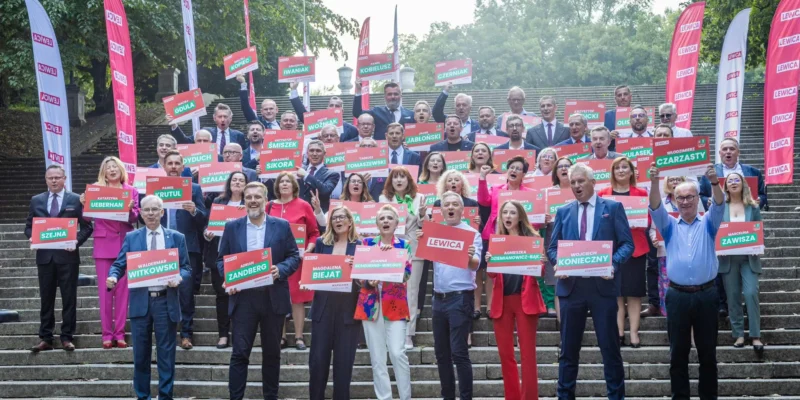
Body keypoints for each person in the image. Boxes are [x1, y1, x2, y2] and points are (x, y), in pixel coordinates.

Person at [547, 163, 634, 400]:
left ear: (593, 182)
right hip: (571, 288)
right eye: (572, 182)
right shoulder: (563, 211)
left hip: (602, 288)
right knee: (568, 352)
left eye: (580, 181)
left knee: (610, 349)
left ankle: (616, 397)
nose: (575, 186)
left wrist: (612, 265)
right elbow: (553, 248)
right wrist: (558, 263)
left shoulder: (613, 208)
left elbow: (628, 244)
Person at [217, 181, 302, 400]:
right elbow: (221, 260)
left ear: (266, 200)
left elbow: (294, 256)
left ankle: (270, 397)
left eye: (257, 197)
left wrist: (280, 269)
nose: (253, 201)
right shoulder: (232, 227)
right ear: (243, 201)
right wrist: (229, 278)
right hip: (244, 299)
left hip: (272, 297)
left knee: (272, 354)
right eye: (249, 197)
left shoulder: (281, 226)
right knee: (239, 353)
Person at [649, 162, 724, 400]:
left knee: (708, 354)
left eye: (690, 196)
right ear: (675, 199)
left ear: (697, 198)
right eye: (680, 198)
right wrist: (653, 181)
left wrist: (714, 182)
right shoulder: (669, 225)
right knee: (677, 353)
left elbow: (720, 203)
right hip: (678, 296)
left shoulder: (709, 223)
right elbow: (655, 206)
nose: (685, 201)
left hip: (706, 294)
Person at [106, 195, 191, 400]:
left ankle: (165, 396)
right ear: (141, 213)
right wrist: (113, 276)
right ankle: (143, 396)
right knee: (141, 356)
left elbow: (187, 268)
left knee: (166, 355)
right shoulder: (132, 238)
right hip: (140, 302)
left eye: (155, 209)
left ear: (162, 213)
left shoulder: (176, 237)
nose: (151, 213)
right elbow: (119, 264)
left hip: (165, 301)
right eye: (147, 210)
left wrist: (179, 277)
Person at [418, 191, 482, 400]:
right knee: (441, 354)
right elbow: (420, 253)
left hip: (460, 299)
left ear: (462, 210)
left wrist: (470, 257)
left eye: (456, 204)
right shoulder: (436, 232)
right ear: (442, 210)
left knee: (459, 353)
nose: (451, 207)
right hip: (438, 299)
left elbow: (476, 265)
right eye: (447, 205)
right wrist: (421, 237)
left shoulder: (472, 234)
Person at [25, 165, 93, 352]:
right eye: (50, 178)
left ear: (64, 178)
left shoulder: (75, 199)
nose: (54, 181)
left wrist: (76, 242)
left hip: (68, 256)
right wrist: (31, 236)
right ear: (46, 180)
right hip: (45, 257)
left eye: (57, 177)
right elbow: (28, 226)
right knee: (46, 298)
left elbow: (88, 227)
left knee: (69, 298)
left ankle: (67, 336)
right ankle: (46, 337)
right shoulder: (36, 200)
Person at [485, 200, 546, 400]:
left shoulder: (532, 239)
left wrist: (541, 262)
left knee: (528, 354)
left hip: (525, 300)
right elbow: (493, 275)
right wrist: (490, 261)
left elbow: (540, 273)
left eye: (512, 213)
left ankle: (529, 397)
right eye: (505, 213)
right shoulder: (497, 241)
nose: (508, 216)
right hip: (502, 302)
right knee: (505, 354)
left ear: (520, 216)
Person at [79, 156, 140, 349]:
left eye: (115, 167)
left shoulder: (131, 191)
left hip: (124, 243)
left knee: (123, 293)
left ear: (121, 170)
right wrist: (84, 203)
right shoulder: (96, 190)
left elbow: (135, 217)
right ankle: (106, 334)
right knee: (105, 293)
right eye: (108, 167)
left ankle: (120, 333)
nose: (112, 170)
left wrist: (131, 210)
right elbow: (87, 218)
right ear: (103, 172)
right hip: (104, 245)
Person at [356, 204, 413, 400]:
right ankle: (384, 398)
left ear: (397, 223)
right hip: (370, 306)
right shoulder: (366, 243)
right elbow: (359, 276)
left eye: (390, 218)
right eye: (382, 218)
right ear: (377, 223)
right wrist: (368, 282)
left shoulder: (403, 245)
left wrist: (389, 257)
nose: (386, 221)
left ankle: (405, 397)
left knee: (397, 353)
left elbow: (406, 275)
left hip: (395, 306)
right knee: (377, 358)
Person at [307, 206, 361, 400]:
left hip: (348, 311)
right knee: (318, 362)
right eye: (334, 218)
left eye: (342, 217)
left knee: (344, 365)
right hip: (323, 309)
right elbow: (313, 270)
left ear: (349, 221)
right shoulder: (322, 242)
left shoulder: (360, 245)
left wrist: (358, 271)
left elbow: (365, 280)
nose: (338, 221)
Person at [597, 157, 650, 348]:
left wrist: (640, 221)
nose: (620, 170)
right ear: (612, 172)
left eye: (624, 167)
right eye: (617, 167)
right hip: (612, 250)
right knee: (616, 293)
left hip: (636, 249)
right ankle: (619, 332)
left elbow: (648, 220)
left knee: (634, 294)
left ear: (631, 172)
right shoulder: (603, 194)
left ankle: (634, 333)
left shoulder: (641, 192)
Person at [267, 172, 320, 350]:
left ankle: (299, 337)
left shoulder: (304, 205)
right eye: (281, 181)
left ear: (294, 186)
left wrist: (309, 249)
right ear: (277, 186)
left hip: (297, 260)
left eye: (288, 182)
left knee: (297, 298)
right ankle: (280, 336)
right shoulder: (268, 206)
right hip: (275, 261)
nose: (284, 184)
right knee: (278, 297)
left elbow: (314, 233)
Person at [162, 150, 208, 350]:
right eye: (169, 163)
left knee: (186, 293)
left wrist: (193, 210)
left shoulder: (194, 188)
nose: (173, 167)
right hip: (161, 247)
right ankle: (167, 333)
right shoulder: (156, 188)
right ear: (164, 166)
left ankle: (186, 333)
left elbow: (204, 218)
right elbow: (144, 216)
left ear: (183, 167)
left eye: (176, 164)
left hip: (187, 247)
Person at [477, 156, 531, 320]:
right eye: (511, 167)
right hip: (495, 236)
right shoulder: (496, 189)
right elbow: (483, 200)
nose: (514, 170)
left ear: (524, 174)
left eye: (518, 168)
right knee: (493, 273)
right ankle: (494, 308)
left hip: (519, 239)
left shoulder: (529, 194)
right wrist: (482, 179)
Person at [379, 167, 425, 349]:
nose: (399, 180)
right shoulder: (384, 199)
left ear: (409, 180)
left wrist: (422, 214)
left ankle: (408, 334)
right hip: (390, 249)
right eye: (395, 177)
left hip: (413, 248)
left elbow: (424, 225)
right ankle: (387, 331)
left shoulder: (419, 198)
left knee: (411, 293)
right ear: (391, 181)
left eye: (402, 177)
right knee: (389, 291)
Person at [202, 171, 248, 349]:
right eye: (234, 180)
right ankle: (223, 334)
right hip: (219, 256)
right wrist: (207, 234)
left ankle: (239, 333)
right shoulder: (218, 202)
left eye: (241, 180)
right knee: (222, 296)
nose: (237, 182)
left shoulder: (250, 203)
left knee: (241, 298)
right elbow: (208, 225)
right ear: (229, 183)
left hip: (242, 258)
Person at [719, 172, 764, 352]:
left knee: (751, 293)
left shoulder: (752, 207)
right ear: (726, 186)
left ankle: (755, 335)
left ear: (743, 183)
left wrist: (758, 244)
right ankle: (738, 334)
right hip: (728, 258)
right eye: (730, 181)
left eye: (737, 179)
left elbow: (759, 230)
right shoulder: (720, 207)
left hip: (748, 258)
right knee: (733, 297)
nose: (734, 183)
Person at [645, 176, 688, 318]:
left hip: (688, 253)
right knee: (667, 288)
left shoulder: (694, 202)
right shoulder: (661, 204)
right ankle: (670, 319)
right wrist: (654, 239)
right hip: (665, 253)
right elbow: (652, 229)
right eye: (672, 180)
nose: (675, 182)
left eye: (678, 179)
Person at [541, 156, 575, 318]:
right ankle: (563, 331)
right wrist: (543, 218)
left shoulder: (580, 191)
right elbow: (536, 220)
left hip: (576, 240)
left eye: (567, 166)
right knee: (556, 282)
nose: (563, 169)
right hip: (553, 238)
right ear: (555, 171)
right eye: (560, 166)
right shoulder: (547, 193)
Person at [699, 137, 767, 210]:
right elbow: (701, 196)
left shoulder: (753, 172)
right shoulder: (710, 173)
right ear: (720, 153)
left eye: (732, 149)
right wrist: (707, 201)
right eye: (724, 149)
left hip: (746, 214)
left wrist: (760, 200)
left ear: (738, 152)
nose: (728, 151)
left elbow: (762, 195)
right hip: (719, 215)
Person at [288, 81, 359, 141]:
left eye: (337, 106)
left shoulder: (352, 130)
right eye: (331, 105)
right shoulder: (318, 123)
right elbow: (302, 115)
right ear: (327, 108)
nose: (334, 108)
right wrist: (294, 90)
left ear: (342, 111)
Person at [169, 103, 247, 155]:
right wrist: (174, 125)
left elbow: (243, 154)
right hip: (209, 169)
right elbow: (186, 142)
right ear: (214, 118)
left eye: (225, 116)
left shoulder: (238, 135)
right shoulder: (205, 132)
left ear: (230, 118)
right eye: (220, 117)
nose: (223, 119)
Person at [297, 140, 340, 214]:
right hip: (298, 213)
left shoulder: (332, 174)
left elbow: (325, 191)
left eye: (318, 151)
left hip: (317, 216)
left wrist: (306, 176)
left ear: (324, 154)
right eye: (311, 150)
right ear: (307, 153)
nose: (314, 154)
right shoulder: (298, 170)